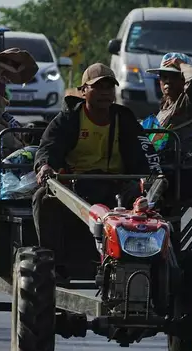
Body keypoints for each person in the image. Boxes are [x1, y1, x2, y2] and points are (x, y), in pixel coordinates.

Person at [32, 63, 162, 281]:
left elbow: (145, 153)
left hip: (119, 187)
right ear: (83, 91)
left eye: (109, 87)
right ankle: (53, 267)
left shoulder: (125, 118)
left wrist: (153, 180)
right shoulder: (68, 119)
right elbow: (48, 148)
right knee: (43, 198)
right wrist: (44, 166)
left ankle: (156, 270)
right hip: (77, 189)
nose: (105, 93)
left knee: (155, 204)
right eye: (98, 87)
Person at [146, 52, 192, 199]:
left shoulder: (191, 102)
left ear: (184, 79)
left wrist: (181, 64)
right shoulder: (164, 109)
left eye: (175, 77)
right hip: (168, 168)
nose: (168, 82)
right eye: (164, 77)